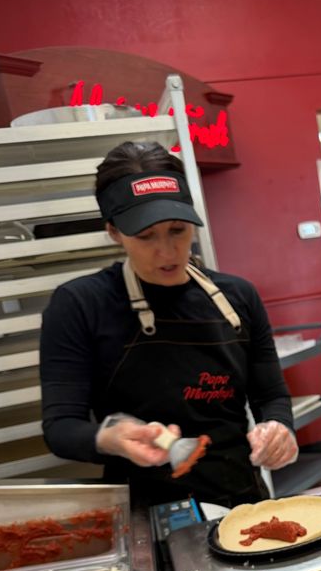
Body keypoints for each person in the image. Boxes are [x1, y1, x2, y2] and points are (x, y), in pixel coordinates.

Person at [40, 140, 298, 508]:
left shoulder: (238, 296)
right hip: (143, 512)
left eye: (177, 229)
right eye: (145, 236)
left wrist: (279, 428)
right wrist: (110, 438)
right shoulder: (80, 305)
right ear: (113, 231)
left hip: (240, 502)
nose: (167, 251)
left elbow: (270, 395)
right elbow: (61, 427)